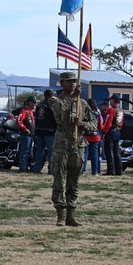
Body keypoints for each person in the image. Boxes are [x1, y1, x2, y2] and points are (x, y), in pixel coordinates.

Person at [49, 71, 98, 226]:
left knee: (74, 181)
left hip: (78, 144)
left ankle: (71, 214)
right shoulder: (55, 100)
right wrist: (71, 98)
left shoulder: (83, 104)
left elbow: (94, 124)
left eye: (74, 81)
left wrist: (82, 124)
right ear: (62, 84)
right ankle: (60, 215)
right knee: (59, 180)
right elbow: (58, 110)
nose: (72, 84)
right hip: (61, 145)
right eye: (68, 81)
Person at [32, 89, 57, 174]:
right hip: (49, 131)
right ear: (51, 96)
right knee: (51, 151)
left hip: (39, 130)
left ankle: (36, 169)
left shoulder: (39, 105)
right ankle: (51, 170)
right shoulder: (52, 105)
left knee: (39, 151)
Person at [102, 93, 124, 176]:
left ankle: (111, 170)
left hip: (111, 132)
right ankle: (119, 170)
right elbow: (121, 122)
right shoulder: (120, 110)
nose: (109, 101)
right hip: (117, 131)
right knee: (117, 152)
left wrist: (104, 132)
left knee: (109, 151)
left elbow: (108, 122)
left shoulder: (111, 110)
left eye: (111, 99)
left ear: (113, 100)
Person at [17, 96, 37, 173]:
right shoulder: (24, 111)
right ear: (29, 103)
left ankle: (25, 166)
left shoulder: (30, 111)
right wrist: (25, 129)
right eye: (33, 103)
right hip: (26, 135)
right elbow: (19, 121)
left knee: (28, 151)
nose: (35, 104)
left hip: (30, 135)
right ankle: (23, 168)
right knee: (24, 151)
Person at [83, 97, 102, 176]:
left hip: (86, 135)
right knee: (95, 154)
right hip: (96, 135)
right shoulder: (98, 113)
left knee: (85, 153)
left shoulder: (85, 112)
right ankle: (96, 171)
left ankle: (83, 170)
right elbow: (101, 124)